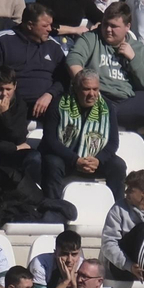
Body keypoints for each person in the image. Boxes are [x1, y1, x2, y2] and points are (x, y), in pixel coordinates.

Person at [65, 3, 144, 171]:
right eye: (105, 24)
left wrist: (133, 59)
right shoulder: (92, 38)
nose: (108, 29)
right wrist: (87, 88)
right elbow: (73, 60)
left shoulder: (137, 48)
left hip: (125, 101)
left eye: (114, 26)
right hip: (98, 98)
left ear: (127, 26)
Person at [39, 68, 123, 200]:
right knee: (52, 163)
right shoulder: (58, 104)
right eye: (86, 89)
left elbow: (113, 142)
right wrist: (75, 160)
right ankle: (53, 206)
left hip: (93, 161)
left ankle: (118, 208)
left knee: (118, 165)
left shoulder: (107, 107)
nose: (92, 94)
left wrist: (98, 160)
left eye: (95, 89)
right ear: (76, 88)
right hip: (66, 159)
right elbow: (50, 140)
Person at [0, 3, 66, 117]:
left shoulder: (53, 47)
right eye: (45, 26)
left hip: (47, 106)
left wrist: (50, 94)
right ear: (30, 25)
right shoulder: (3, 40)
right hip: (12, 104)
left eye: (50, 25)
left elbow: (64, 79)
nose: (50, 29)